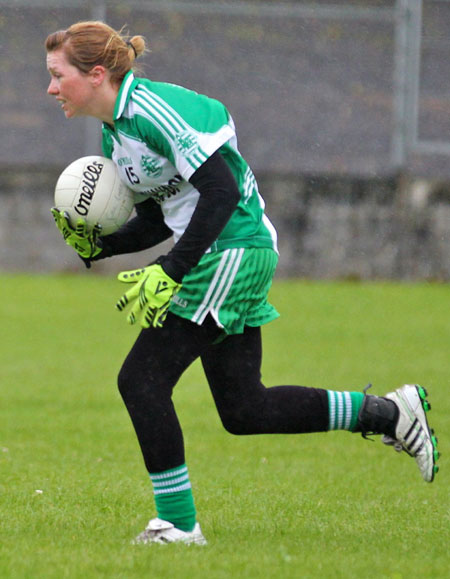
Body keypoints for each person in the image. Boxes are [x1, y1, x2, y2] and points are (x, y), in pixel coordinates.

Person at [46, 21, 439, 545]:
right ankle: (390, 413)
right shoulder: (116, 133)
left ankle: (179, 525)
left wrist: (172, 269)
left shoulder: (156, 111)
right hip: (221, 250)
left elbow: (222, 192)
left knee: (140, 379)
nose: (50, 88)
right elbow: (167, 215)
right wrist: (103, 246)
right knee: (244, 409)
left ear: (96, 74)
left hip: (233, 249)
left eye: (57, 75)